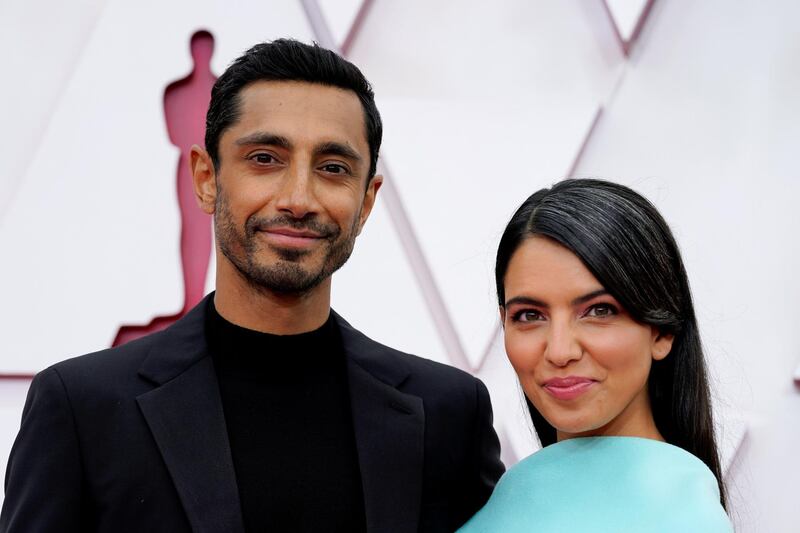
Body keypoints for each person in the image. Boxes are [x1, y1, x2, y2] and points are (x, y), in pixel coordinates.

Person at [0, 39, 504, 533]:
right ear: (206, 179)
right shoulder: (82, 408)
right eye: (265, 158)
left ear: (367, 201)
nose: (298, 198)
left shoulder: (450, 415)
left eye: (333, 168)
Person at [459, 179, 732, 532]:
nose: (560, 351)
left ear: (662, 330)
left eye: (599, 311)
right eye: (529, 315)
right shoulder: (511, 492)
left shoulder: (685, 516)